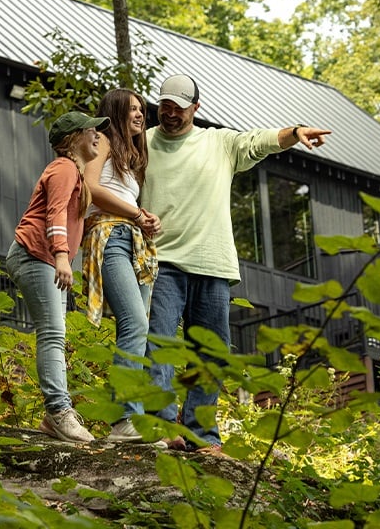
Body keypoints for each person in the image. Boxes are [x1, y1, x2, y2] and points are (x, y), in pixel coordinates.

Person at [141, 74, 332, 453]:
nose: (170, 114)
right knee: (158, 344)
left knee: (210, 353)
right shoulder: (142, 144)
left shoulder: (218, 143)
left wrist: (294, 132)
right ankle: (161, 427)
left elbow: (259, 140)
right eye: (164, 106)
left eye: (178, 108)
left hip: (212, 264)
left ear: (196, 108)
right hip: (160, 261)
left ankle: (202, 434)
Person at [5, 111, 107, 443]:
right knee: (51, 334)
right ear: (72, 138)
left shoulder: (73, 173)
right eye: (91, 130)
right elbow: (55, 213)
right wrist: (62, 256)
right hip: (36, 255)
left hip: (45, 259)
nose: (97, 135)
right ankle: (59, 412)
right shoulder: (63, 168)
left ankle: (56, 416)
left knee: (56, 335)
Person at [80, 88, 162, 443]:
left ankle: (135, 419)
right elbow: (90, 187)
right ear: (115, 112)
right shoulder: (102, 140)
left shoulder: (132, 156)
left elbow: (128, 200)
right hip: (110, 235)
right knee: (135, 322)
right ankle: (124, 419)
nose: (140, 114)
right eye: (132, 109)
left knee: (140, 332)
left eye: (142, 109)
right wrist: (136, 213)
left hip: (134, 241)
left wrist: (148, 221)